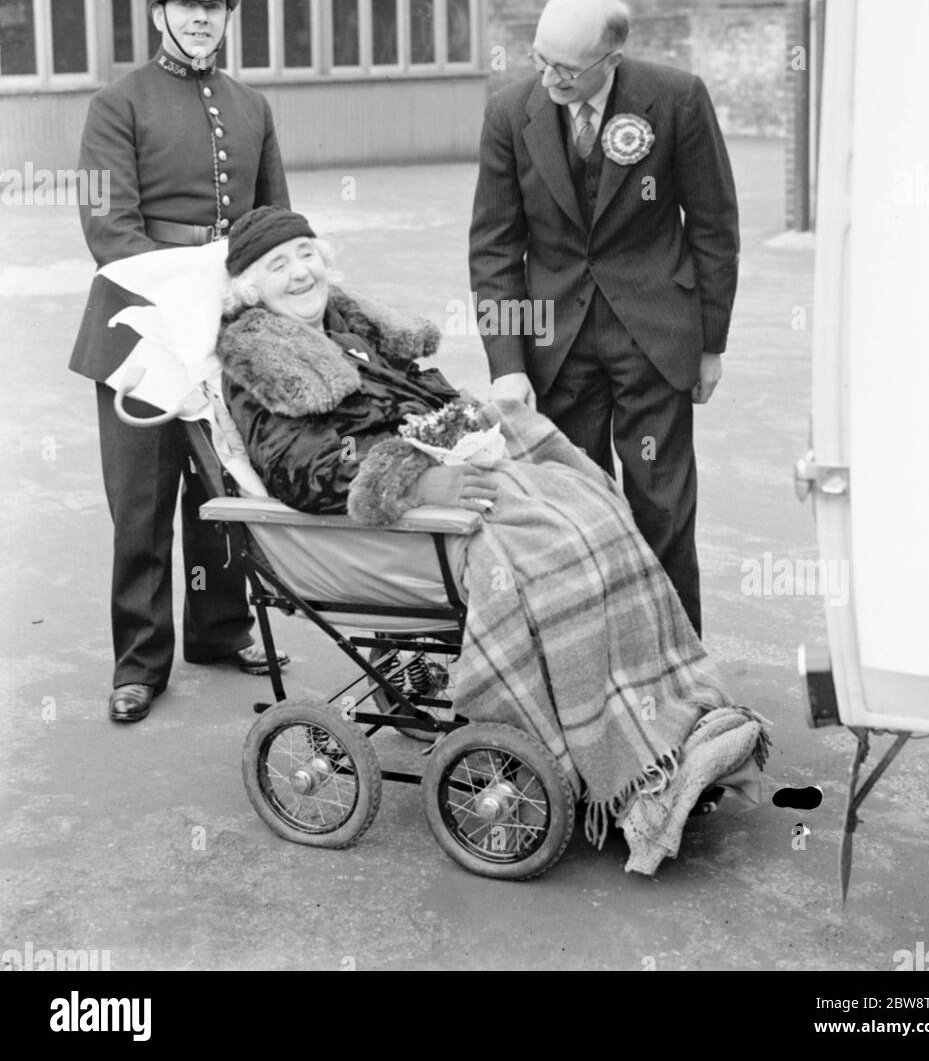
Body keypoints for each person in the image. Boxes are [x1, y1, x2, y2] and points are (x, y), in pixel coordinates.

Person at [215, 206, 768, 874]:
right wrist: (419, 485)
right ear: (249, 288)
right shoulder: (262, 359)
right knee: (556, 553)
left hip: (449, 477)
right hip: (397, 529)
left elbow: (435, 400)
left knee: (594, 511)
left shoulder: (348, 322)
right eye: (279, 265)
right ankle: (613, 755)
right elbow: (300, 470)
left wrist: (468, 431)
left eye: (306, 253)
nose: (300, 271)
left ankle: (664, 724)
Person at [69, 0, 292, 724]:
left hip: (223, 336)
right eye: (186, 4)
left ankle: (220, 629)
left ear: (229, 13)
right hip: (140, 337)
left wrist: (266, 294)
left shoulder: (251, 104)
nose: (201, 19)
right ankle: (139, 661)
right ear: (159, 10)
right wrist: (200, 284)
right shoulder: (116, 105)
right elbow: (110, 232)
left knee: (222, 488)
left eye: (215, 5)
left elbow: (271, 225)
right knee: (141, 502)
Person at [468, 0, 739, 636]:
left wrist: (709, 345)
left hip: (654, 337)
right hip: (554, 348)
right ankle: (588, 662)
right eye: (539, 59)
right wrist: (507, 364)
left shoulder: (675, 99)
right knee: (569, 514)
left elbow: (712, 225)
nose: (549, 78)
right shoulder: (509, 113)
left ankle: (678, 665)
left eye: (566, 67)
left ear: (611, 56)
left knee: (661, 509)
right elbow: (495, 247)